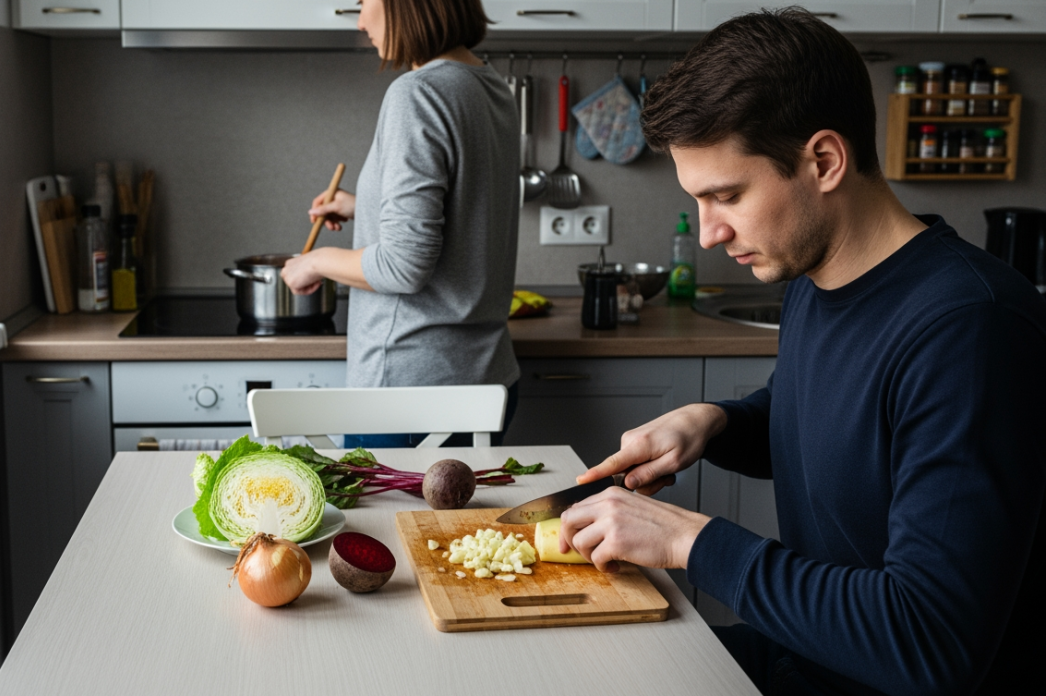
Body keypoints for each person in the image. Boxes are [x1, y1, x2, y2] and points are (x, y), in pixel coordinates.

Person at [556, 9, 1046, 695]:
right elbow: (843, 427)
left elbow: (930, 642)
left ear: (823, 161)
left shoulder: (970, 329)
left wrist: (689, 542)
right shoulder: (815, 278)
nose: (708, 233)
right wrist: (718, 422)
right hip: (810, 657)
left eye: (725, 195)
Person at [278, 0, 521, 449]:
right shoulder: (491, 87)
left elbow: (403, 267)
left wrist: (316, 261)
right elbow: (469, 208)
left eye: (364, 3)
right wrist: (364, 206)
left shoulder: (418, 93)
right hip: (487, 378)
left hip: (410, 393)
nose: (360, 20)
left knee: (383, 524)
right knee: (459, 524)